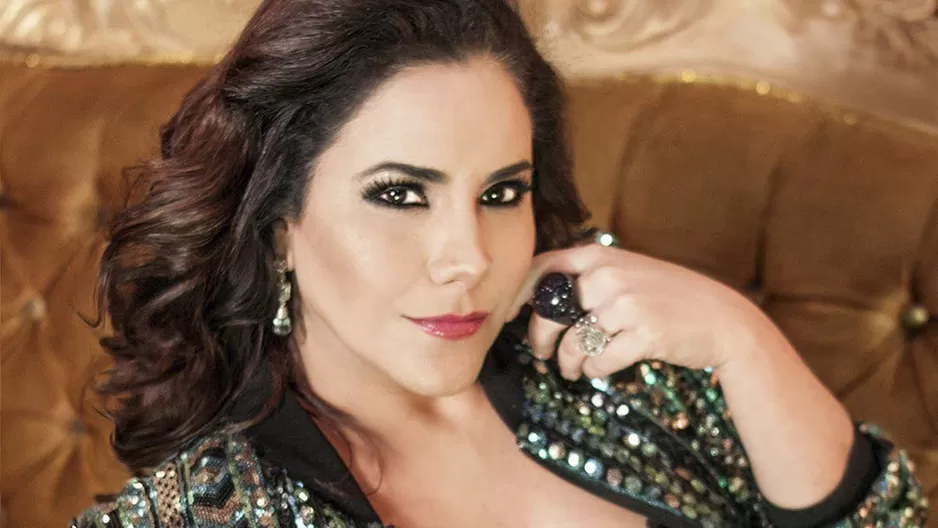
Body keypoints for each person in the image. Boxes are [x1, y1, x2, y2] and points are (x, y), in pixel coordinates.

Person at [72, 0, 928, 527]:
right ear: (277, 225)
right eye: (400, 194)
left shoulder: (620, 365)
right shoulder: (201, 511)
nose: (469, 258)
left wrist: (744, 340)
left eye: (500, 192)